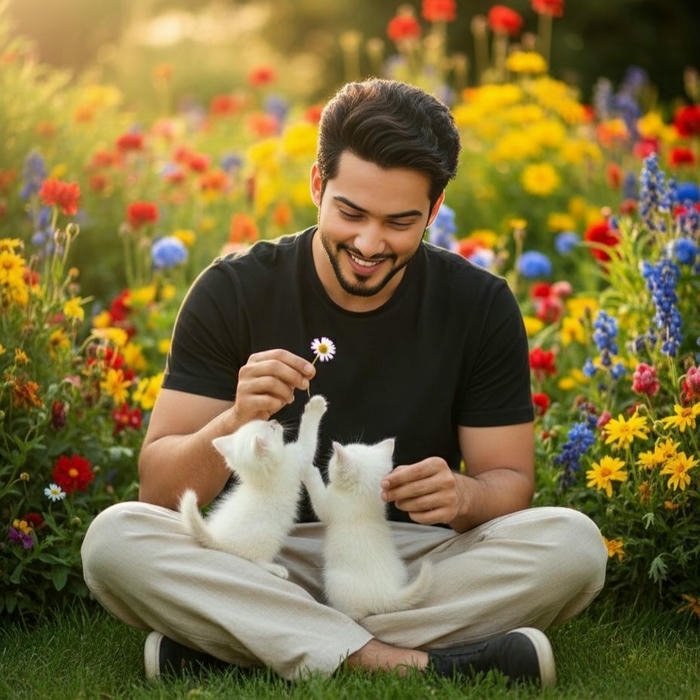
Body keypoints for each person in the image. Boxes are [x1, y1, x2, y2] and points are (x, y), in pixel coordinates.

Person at [81, 78, 607, 688]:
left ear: (435, 212)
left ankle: (250, 642)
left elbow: (509, 483)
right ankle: (406, 663)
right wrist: (233, 421)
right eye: (350, 213)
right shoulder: (232, 290)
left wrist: (465, 497)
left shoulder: (479, 305)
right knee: (114, 541)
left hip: (401, 555)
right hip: (256, 558)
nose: (368, 244)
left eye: (399, 222)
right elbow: (158, 489)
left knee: (574, 546)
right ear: (316, 185)